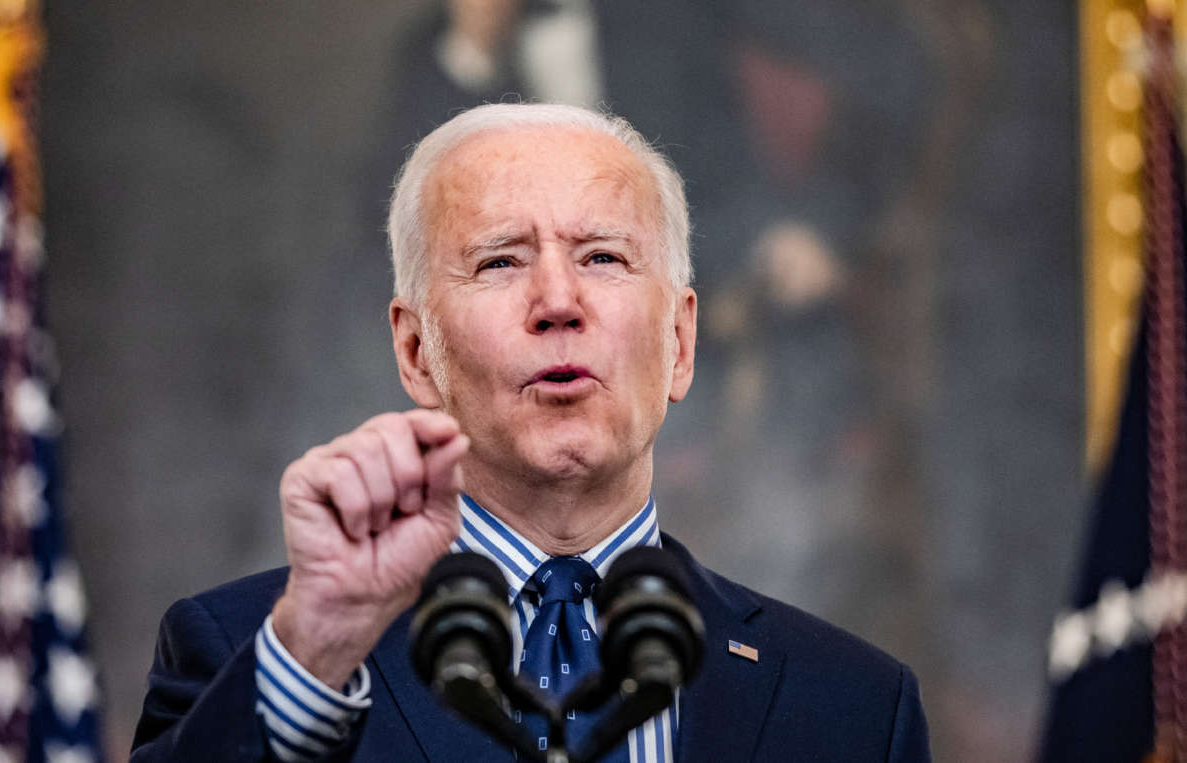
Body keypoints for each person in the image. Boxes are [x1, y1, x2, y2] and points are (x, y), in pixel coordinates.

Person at [130, 103, 930, 762]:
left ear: (680, 345)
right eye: (500, 262)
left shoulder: (854, 707)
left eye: (604, 257)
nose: (558, 299)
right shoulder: (257, 651)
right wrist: (316, 647)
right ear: (416, 351)